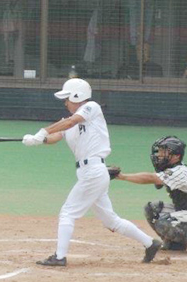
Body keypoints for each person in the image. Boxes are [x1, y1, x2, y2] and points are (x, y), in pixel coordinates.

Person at [22, 78, 161, 266]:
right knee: (111, 221)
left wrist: (42, 131)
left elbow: (72, 122)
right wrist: (39, 140)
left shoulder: (92, 107)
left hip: (94, 171)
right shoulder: (68, 122)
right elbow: (57, 135)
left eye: (67, 98)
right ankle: (150, 243)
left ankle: (60, 257)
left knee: (67, 213)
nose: (65, 103)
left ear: (77, 96)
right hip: (91, 173)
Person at [115, 136, 187, 256]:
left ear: (176, 156)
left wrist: (121, 176)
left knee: (164, 222)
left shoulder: (180, 172)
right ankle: (175, 243)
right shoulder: (172, 169)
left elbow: (150, 178)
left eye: (164, 152)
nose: (159, 155)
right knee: (153, 209)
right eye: (159, 151)